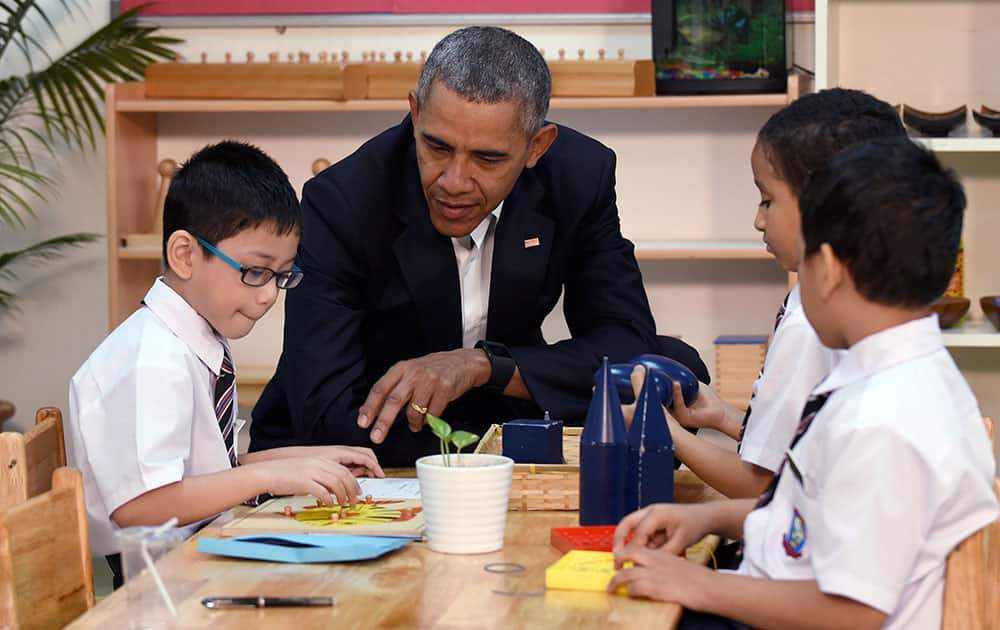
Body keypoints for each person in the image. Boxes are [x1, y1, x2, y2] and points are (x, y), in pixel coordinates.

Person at [250, 26, 688, 466]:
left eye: (488, 159)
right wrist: (500, 448)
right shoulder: (343, 199)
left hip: (498, 404)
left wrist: (484, 366)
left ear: (537, 146)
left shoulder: (578, 176)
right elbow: (325, 410)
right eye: (437, 147)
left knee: (675, 374)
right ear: (415, 114)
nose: (453, 182)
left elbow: (627, 342)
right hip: (379, 433)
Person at [609, 138, 998, 629]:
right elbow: (807, 521)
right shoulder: (886, 379)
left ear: (830, 269)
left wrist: (694, 584)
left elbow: (853, 613)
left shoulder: (883, 420)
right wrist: (705, 519)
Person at [66, 141, 384, 588]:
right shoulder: (153, 360)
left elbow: (208, 472)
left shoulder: (194, 340)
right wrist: (270, 475)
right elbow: (140, 506)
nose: (269, 295)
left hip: (196, 561)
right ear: (185, 255)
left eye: (282, 276)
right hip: (157, 585)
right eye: (255, 271)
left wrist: (305, 461)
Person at [663, 89, 906, 499]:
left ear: (826, 206)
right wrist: (724, 416)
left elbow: (761, 487)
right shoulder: (853, 302)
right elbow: (808, 449)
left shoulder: (812, 326)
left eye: (767, 200)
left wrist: (669, 434)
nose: (759, 220)